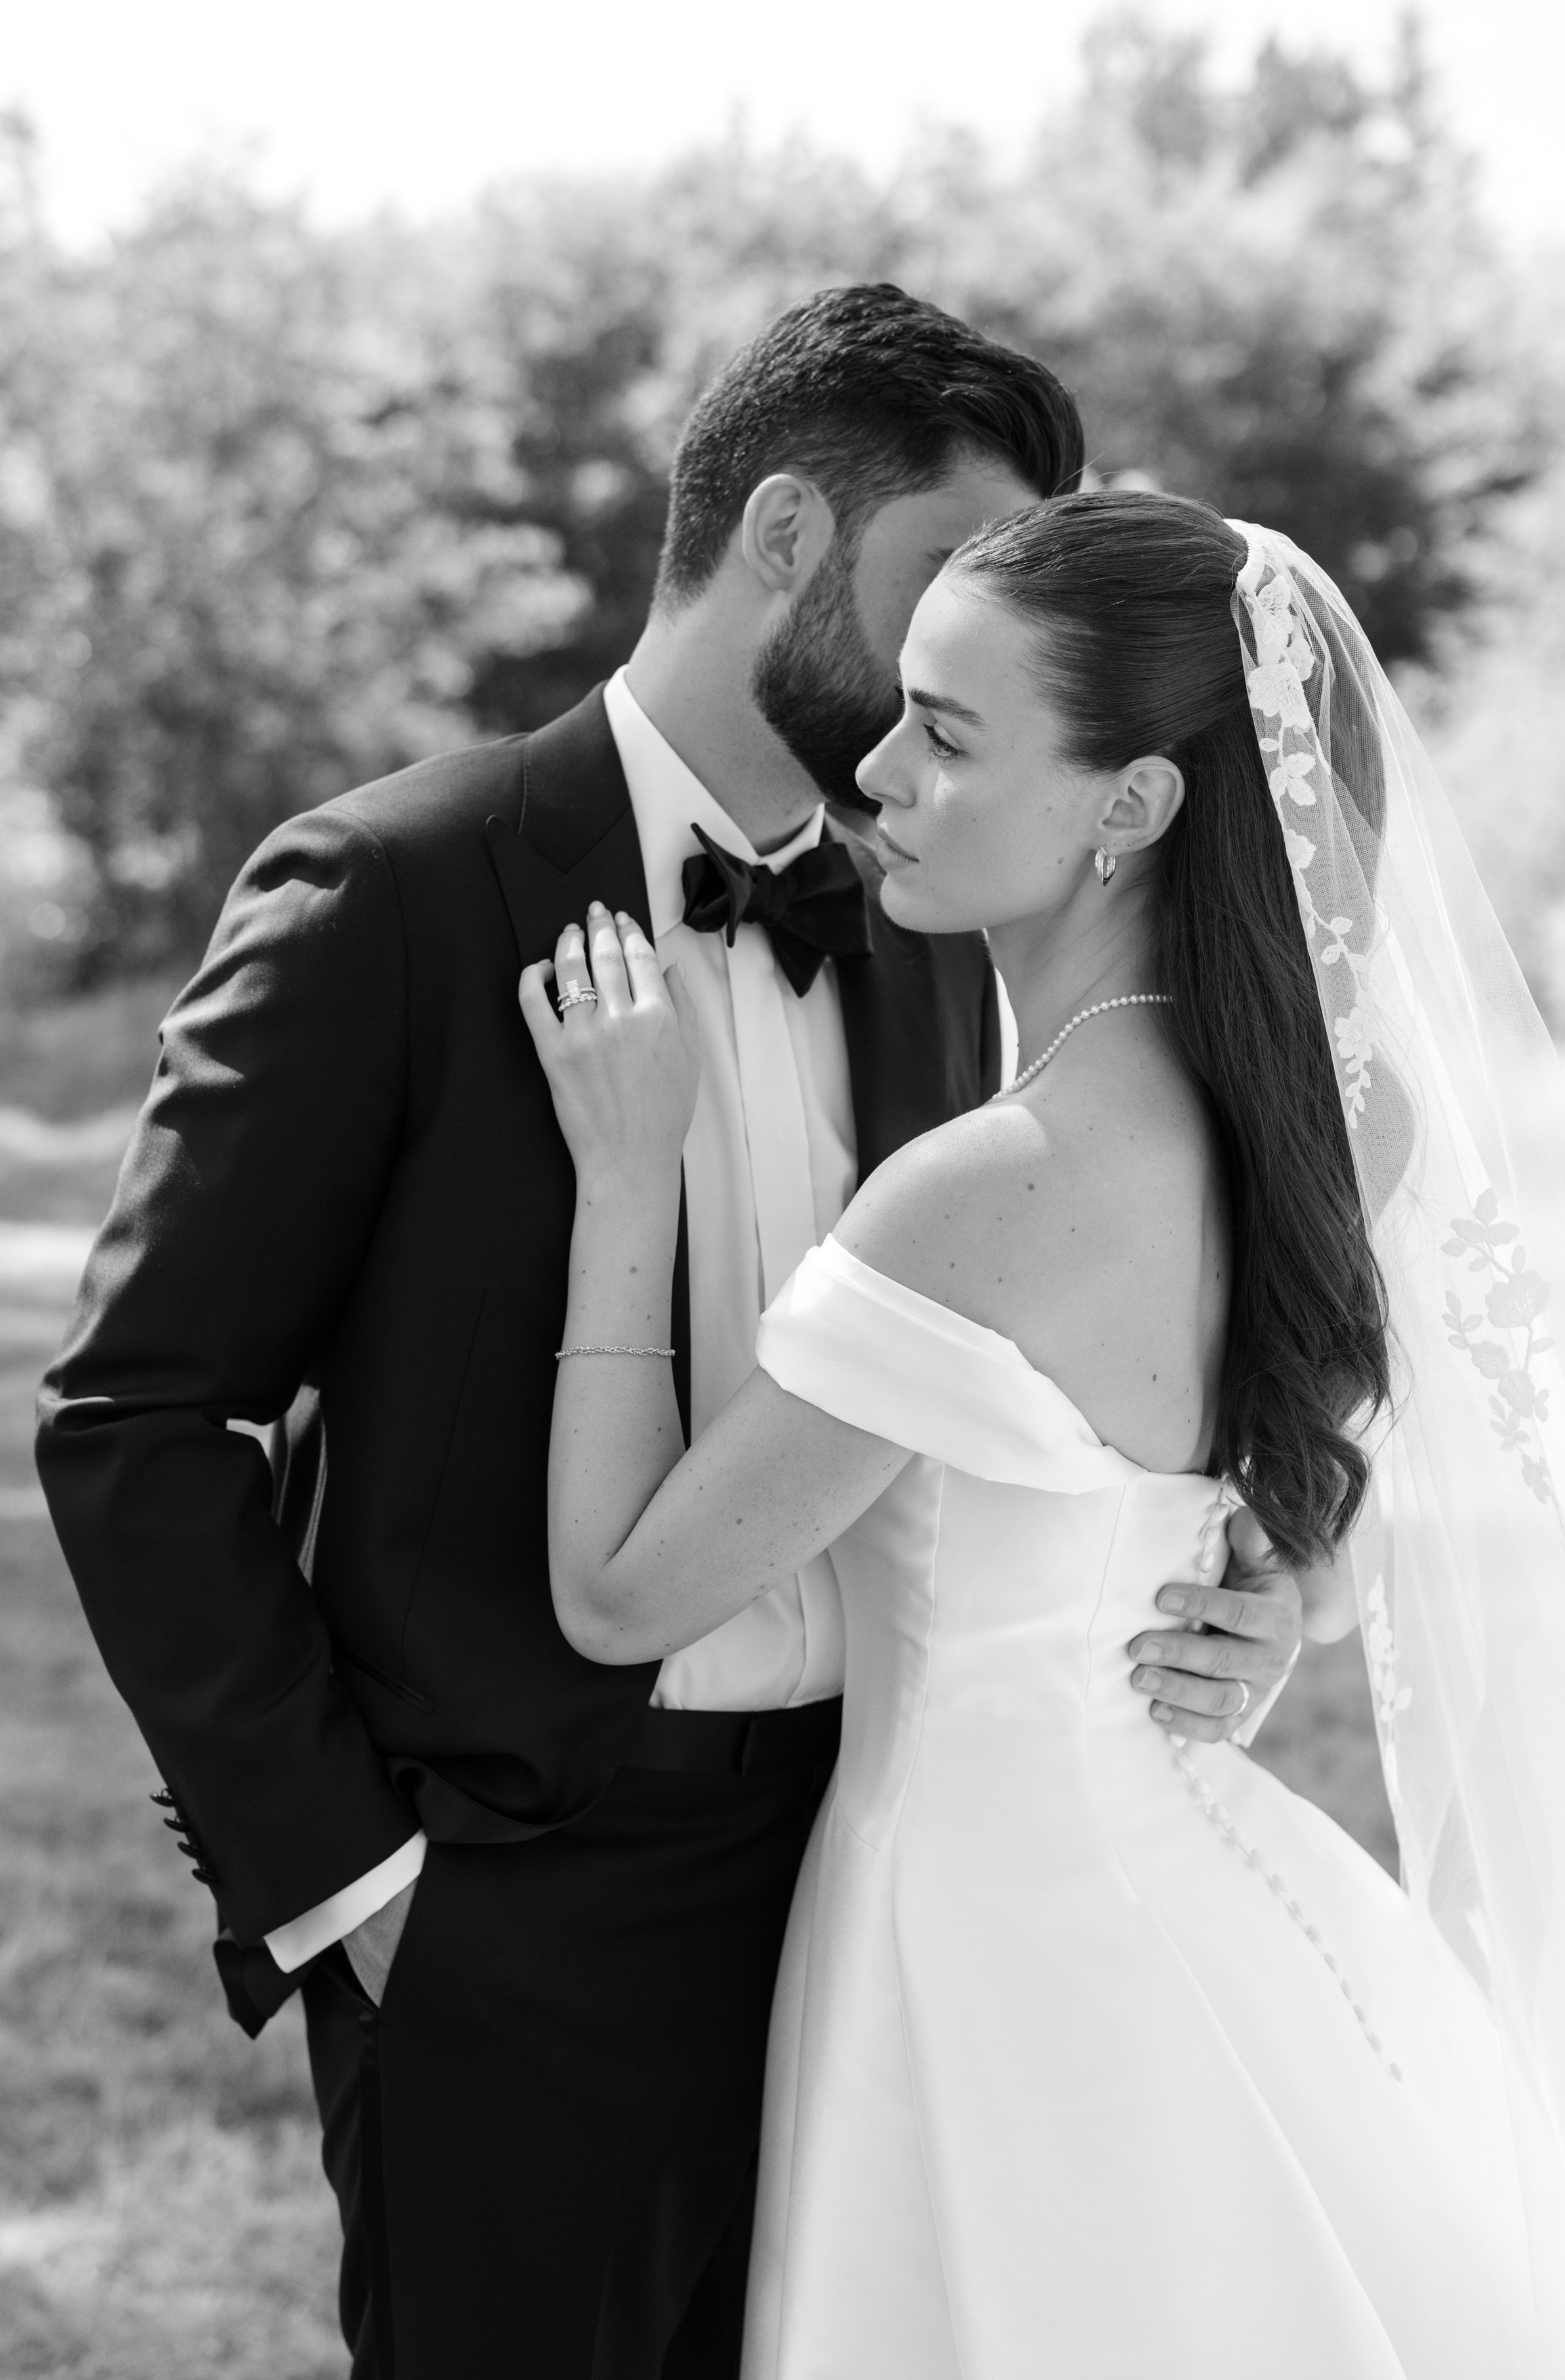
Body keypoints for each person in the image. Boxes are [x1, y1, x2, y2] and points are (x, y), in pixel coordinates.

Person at [34, 292, 1302, 2379]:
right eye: (938, 573)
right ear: (786, 536)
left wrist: (1236, 1586)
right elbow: (137, 1416)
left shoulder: (950, 927)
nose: (957, 649)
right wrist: (354, 1888)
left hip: (886, 1883)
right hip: (516, 1911)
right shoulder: (392, 890)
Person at [522, 488, 1565, 2377]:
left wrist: (630, 1176)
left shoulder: (989, 1187)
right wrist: (1272, 1594)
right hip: (1195, 1880)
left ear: (1131, 804)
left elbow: (622, 1595)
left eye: (948, 735)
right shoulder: (1318, 1116)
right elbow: (1286, 1513)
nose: (878, 769)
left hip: (995, 1950)